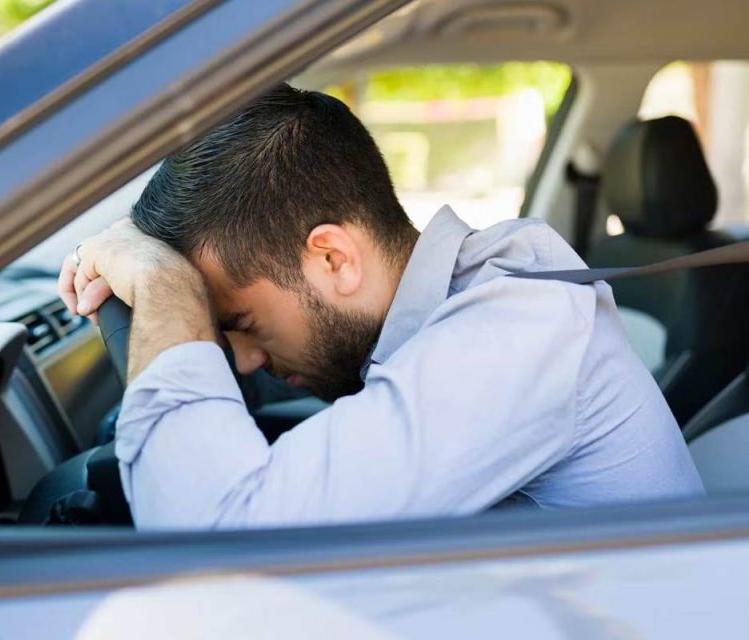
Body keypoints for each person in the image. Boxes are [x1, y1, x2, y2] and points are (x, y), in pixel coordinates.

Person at [58, 83, 703, 529]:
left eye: (241, 324)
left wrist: (164, 286)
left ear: (333, 259)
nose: (245, 361)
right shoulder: (473, 306)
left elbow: (218, 536)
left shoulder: (517, 328)